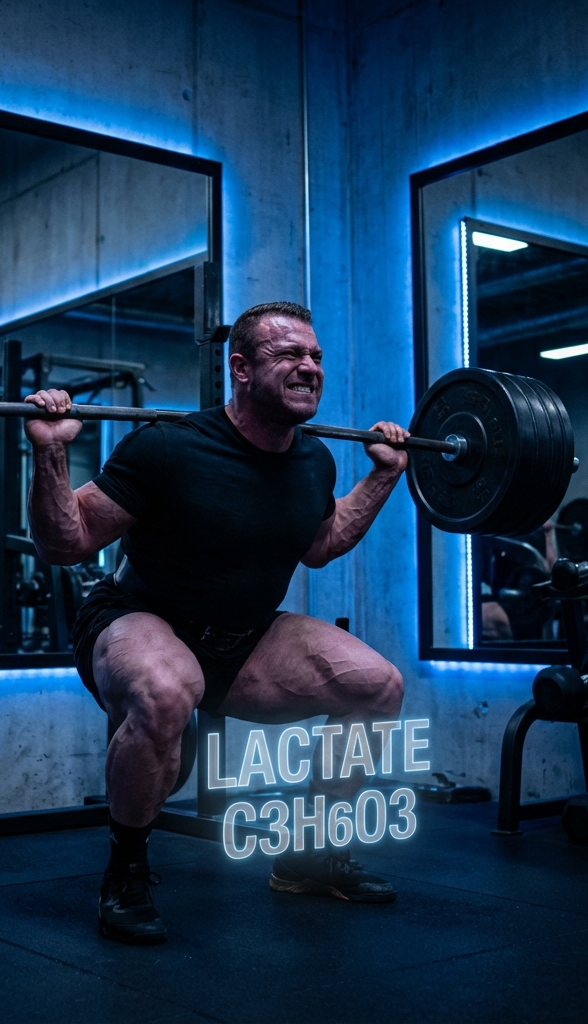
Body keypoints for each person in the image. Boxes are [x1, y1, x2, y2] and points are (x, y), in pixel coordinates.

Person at [24, 301, 408, 945]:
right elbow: (69, 542)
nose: (309, 367)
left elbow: (321, 543)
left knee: (378, 686)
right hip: (140, 618)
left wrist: (383, 476)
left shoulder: (315, 461)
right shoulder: (168, 447)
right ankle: (126, 873)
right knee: (166, 689)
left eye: (315, 356)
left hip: (244, 638)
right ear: (241, 369)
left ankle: (310, 857)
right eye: (289, 355)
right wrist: (52, 453)